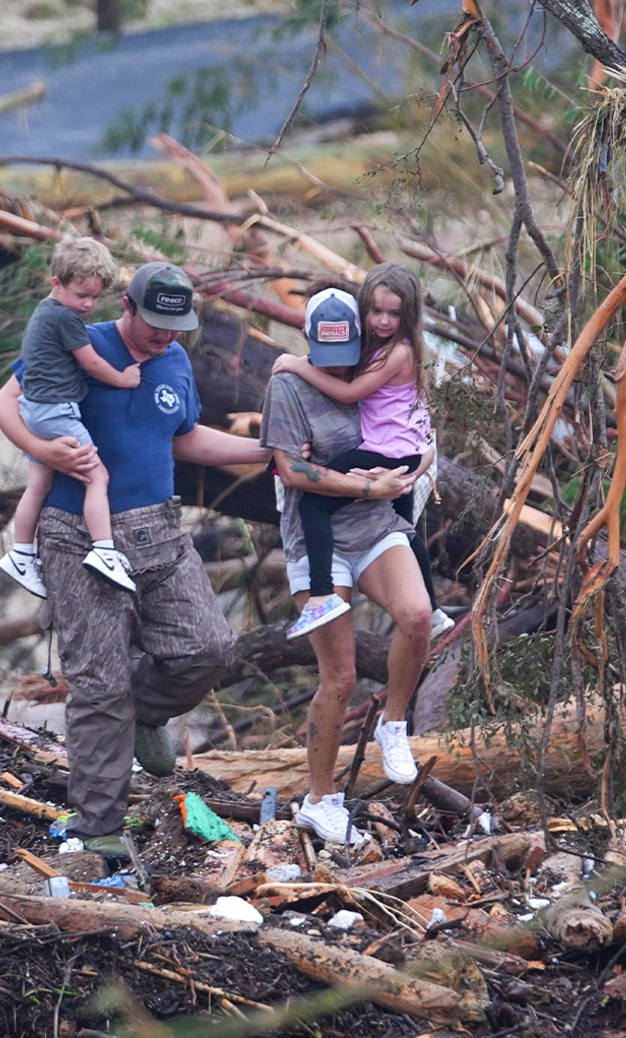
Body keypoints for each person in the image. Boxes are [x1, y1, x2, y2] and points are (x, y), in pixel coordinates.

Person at [0, 261, 269, 857]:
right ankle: (99, 830)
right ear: (127, 305)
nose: (165, 336)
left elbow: (183, 436)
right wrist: (44, 451)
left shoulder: (174, 360)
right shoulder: (77, 339)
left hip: (158, 530)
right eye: (155, 324)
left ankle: (142, 714)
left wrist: (262, 448)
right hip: (75, 534)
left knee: (209, 647)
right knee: (97, 683)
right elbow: (3, 405)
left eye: (176, 327)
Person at [258, 274, 439, 846]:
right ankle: (320, 799)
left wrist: (405, 473)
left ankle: (395, 724)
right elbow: (290, 470)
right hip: (318, 541)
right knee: (340, 676)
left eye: (347, 352)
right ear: (309, 341)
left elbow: (415, 426)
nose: (339, 365)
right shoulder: (288, 387)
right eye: (327, 355)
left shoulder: (375, 356)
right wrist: (363, 486)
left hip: (374, 524)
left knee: (416, 616)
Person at [271, 268, 442, 639]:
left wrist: (297, 364)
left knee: (313, 503)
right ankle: (435, 607)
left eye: (393, 314)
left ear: (408, 316)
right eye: (376, 312)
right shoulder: (387, 349)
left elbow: (349, 395)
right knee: (406, 528)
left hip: (389, 453)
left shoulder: (397, 353)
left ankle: (321, 594)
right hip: (404, 452)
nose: (383, 321)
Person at [0, 238, 142, 597]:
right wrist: (124, 378)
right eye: (82, 295)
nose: (89, 305)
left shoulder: (46, 311)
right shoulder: (66, 319)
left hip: (33, 409)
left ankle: (20, 552)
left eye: (95, 298)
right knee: (97, 476)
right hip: (55, 410)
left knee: (38, 484)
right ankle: (104, 550)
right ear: (56, 283)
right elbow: (90, 361)